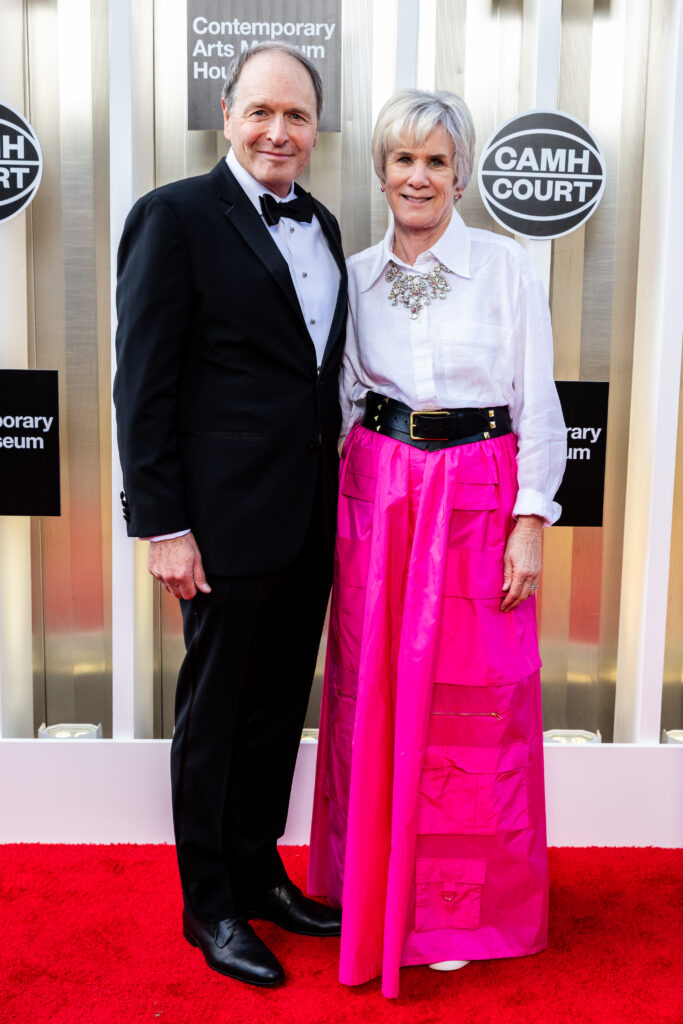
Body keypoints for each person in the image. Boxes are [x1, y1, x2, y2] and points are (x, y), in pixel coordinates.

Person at [308, 90, 566, 998]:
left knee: (473, 707)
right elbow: (340, 394)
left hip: (478, 496)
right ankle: (367, 888)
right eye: (402, 160)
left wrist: (529, 519)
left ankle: (456, 908)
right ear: (381, 171)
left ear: (460, 175)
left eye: (435, 162)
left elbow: (537, 400)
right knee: (370, 695)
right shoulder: (352, 270)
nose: (417, 177)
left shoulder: (507, 267)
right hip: (378, 497)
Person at [114, 43, 347, 988]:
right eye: (261, 112)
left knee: (275, 710)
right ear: (226, 111)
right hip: (216, 528)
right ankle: (208, 904)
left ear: (315, 127)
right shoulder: (172, 216)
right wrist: (163, 526)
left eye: (296, 116)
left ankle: (258, 871)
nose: (278, 131)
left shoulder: (324, 223)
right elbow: (143, 386)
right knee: (214, 715)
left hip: (307, 521)